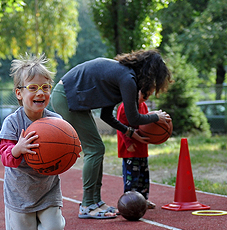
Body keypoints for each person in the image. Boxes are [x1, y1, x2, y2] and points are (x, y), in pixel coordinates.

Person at [49, 49, 172, 219]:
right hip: (65, 97)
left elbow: (106, 115)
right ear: (149, 74)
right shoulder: (127, 78)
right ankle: (87, 204)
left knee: (97, 148)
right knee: (94, 149)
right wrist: (156, 116)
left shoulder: (121, 75)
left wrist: (130, 132)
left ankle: (96, 201)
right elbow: (133, 117)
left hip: (69, 97)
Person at [0, 53, 66, 230]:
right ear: (19, 93)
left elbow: (66, 150)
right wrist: (17, 149)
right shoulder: (12, 123)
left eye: (45, 87)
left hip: (47, 190)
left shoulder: (56, 122)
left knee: (55, 229)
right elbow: (6, 157)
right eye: (33, 88)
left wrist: (71, 152)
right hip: (19, 193)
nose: (40, 93)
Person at [117, 91, 157, 209]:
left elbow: (146, 124)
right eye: (144, 94)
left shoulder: (143, 105)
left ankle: (143, 200)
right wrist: (128, 143)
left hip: (142, 148)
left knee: (144, 177)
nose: (146, 97)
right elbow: (120, 126)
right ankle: (130, 201)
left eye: (149, 94)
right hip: (130, 150)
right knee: (132, 178)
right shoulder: (125, 106)